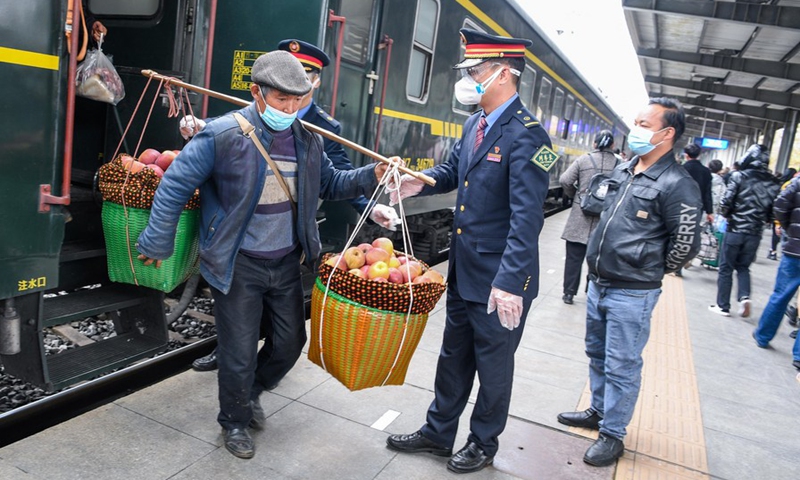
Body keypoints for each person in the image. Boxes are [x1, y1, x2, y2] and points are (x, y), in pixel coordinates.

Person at [136, 51, 395, 459]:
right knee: (237, 352)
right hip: (239, 262)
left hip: (286, 261)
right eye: (281, 101)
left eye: (297, 100)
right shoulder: (223, 135)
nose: (290, 109)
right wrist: (157, 240)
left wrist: (370, 175)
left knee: (291, 342)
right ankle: (234, 421)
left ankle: (252, 391)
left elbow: (331, 182)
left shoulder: (308, 139)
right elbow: (175, 185)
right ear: (257, 93)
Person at [384, 29, 552, 474]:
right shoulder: (476, 122)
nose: (468, 79)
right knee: (453, 357)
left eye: (475, 71)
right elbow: (454, 169)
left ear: (503, 73)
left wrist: (512, 283)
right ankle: (439, 433)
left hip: (500, 279)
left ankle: (482, 442)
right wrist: (420, 181)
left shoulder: (530, 138)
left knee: (493, 366)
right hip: (464, 270)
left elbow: (527, 218)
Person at [188, 39, 399, 373]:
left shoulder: (322, 129)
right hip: (243, 237)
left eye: (306, 76)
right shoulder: (258, 106)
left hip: (288, 236)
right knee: (238, 316)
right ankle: (230, 360)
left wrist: (369, 205)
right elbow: (229, 126)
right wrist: (199, 127)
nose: (289, 102)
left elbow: (335, 177)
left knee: (283, 326)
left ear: (315, 81)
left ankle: (258, 372)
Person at [557, 97, 702, 467]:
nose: (635, 129)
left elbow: (685, 245)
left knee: (622, 363)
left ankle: (613, 434)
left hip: (632, 291)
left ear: (667, 134)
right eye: (635, 121)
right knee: (597, 353)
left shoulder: (677, 183)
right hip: (599, 283)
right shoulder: (624, 171)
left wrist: (648, 269)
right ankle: (598, 411)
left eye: (644, 124)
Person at [708, 144, 780, 318]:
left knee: (726, 267)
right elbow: (772, 212)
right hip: (755, 232)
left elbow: (726, 202)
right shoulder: (774, 182)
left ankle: (723, 305)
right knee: (743, 267)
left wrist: (726, 215)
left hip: (735, 229)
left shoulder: (739, 176)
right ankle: (744, 297)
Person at [559, 130, 617, 305]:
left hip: (580, 216)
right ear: (612, 146)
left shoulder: (583, 160)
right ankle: (590, 290)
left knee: (573, 258)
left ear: (594, 144)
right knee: (598, 259)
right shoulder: (620, 165)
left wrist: (576, 196)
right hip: (604, 220)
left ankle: (569, 293)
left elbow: (565, 180)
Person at [753, 176, 800, 371]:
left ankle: (763, 336)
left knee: (781, 295)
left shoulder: (797, 182)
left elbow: (780, 204)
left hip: (795, 251)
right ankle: (798, 355)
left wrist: (790, 228)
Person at [768, 168, 797, 260]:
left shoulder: (788, 185)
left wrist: (781, 223)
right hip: (789, 222)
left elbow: (780, 205)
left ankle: (773, 251)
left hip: (787, 221)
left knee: (778, 237)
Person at [682, 143, 713, 225]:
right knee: (692, 230)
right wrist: (710, 212)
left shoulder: (680, 169)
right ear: (699, 155)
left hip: (680, 205)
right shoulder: (706, 171)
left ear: (686, 155)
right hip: (698, 207)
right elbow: (707, 193)